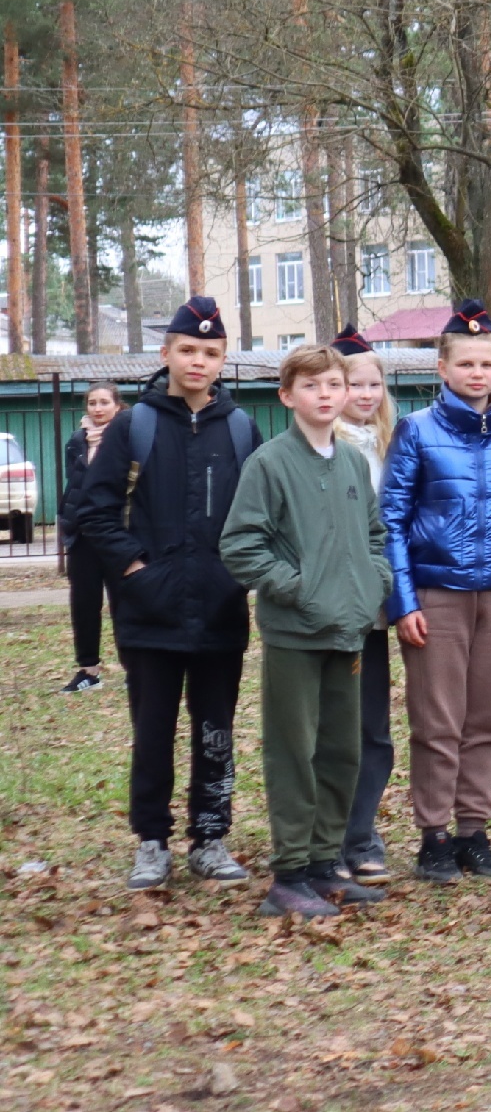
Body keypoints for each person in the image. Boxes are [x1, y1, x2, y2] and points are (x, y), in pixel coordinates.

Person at [71, 297, 261, 892]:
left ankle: (210, 835)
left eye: (210, 353)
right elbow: (94, 513)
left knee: (215, 729)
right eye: (188, 350)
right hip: (149, 614)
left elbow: (257, 516)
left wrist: (236, 577)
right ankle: (151, 840)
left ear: (223, 359)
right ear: (167, 354)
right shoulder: (135, 425)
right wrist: (135, 569)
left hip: (220, 611)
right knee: (152, 730)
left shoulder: (240, 428)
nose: (198, 361)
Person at [380, 300, 491, 882]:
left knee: (488, 719)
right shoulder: (417, 431)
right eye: (466, 364)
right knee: (437, 720)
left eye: (487, 363)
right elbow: (392, 522)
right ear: (442, 368)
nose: (477, 374)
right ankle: (433, 835)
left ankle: (472, 831)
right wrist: (402, 601)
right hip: (438, 595)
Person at [219, 344, 393, 917]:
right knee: (295, 750)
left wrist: (373, 584)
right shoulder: (269, 463)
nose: (326, 395)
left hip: (349, 630)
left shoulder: (348, 462)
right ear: (288, 396)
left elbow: (373, 535)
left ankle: (324, 864)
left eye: (334, 385)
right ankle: (289, 874)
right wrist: (297, 588)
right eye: (312, 386)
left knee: (341, 750)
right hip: (296, 634)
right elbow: (241, 545)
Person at [330, 329, 404, 884]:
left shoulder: (390, 446)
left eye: (374, 383)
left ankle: (361, 832)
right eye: (354, 383)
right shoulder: (319, 446)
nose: (366, 393)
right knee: (329, 727)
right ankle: (325, 835)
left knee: (373, 729)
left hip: (375, 614)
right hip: (328, 612)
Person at [58, 380, 120, 694]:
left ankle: (137, 665)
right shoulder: (76, 440)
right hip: (83, 534)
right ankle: (88, 670)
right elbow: (78, 482)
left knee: (127, 602)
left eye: (104, 402)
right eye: (92, 403)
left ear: (117, 406)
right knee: (84, 603)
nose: (97, 408)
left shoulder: (128, 436)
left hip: (118, 533)